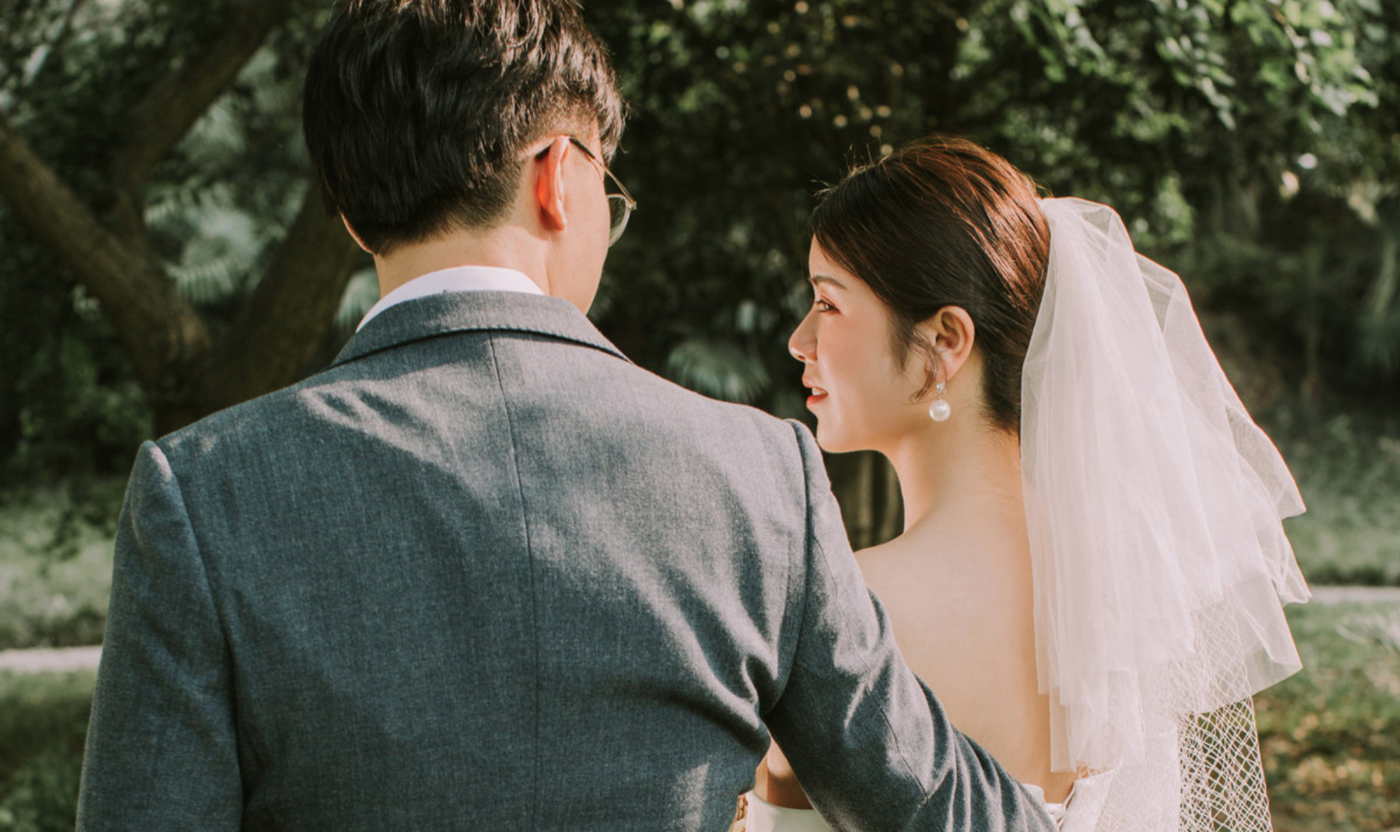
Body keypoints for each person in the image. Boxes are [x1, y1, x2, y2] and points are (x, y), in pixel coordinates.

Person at [75, 3, 1057, 830]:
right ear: (558, 176)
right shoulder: (759, 476)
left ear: (352, 215)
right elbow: (944, 809)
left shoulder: (202, 491)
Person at [742, 136, 1310, 832]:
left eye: (828, 304)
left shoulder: (852, 617)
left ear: (944, 342)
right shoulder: (1117, 599)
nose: (800, 339)